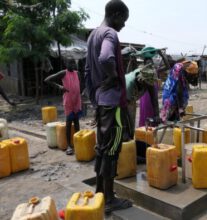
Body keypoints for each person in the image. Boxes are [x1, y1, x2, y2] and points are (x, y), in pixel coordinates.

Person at [84, 0, 132, 213]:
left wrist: (95, 98)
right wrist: (113, 76)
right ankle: (110, 200)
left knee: (102, 149)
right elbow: (105, 58)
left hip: (102, 102)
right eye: (123, 20)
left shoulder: (93, 35)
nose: (123, 26)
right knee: (112, 150)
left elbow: (87, 72)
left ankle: (100, 193)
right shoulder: (110, 34)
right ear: (116, 14)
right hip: (113, 103)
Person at [44, 59, 81, 155]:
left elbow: (79, 85)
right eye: (70, 63)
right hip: (68, 101)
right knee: (69, 123)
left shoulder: (77, 73)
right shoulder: (63, 73)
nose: (72, 65)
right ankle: (69, 145)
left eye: (73, 63)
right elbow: (47, 80)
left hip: (77, 101)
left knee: (77, 122)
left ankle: (78, 142)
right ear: (66, 63)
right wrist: (59, 87)